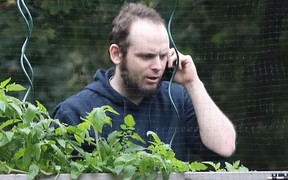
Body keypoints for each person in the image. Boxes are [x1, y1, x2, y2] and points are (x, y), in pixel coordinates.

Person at [52, 2, 236, 162]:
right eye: (146, 56)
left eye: (163, 55)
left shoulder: (177, 99)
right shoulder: (76, 112)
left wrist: (193, 83)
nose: (157, 66)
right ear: (116, 54)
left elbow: (225, 147)